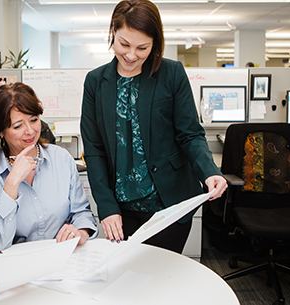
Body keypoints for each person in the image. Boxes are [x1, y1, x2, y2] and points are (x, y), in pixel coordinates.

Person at [80, 0, 227, 253]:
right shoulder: (95, 82)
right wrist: (106, 206)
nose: (130, 55)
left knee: (163, 279)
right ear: (112, 33)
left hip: (169, 205)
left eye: (142, 47)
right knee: (127, 281)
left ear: (155, 44)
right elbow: (94, 150)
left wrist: (209, 171)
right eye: (124, 44)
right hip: (121, 209)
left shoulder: (171, 73)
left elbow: (190, 134)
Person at [0, 82, 97, 250]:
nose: (30, 131)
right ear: (1, 131)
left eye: (34, 120)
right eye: (18, 126)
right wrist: (12, 183)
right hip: (17, 265)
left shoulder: (61, 159)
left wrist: (80, 231)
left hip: (61, 256)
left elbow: (81, 213)